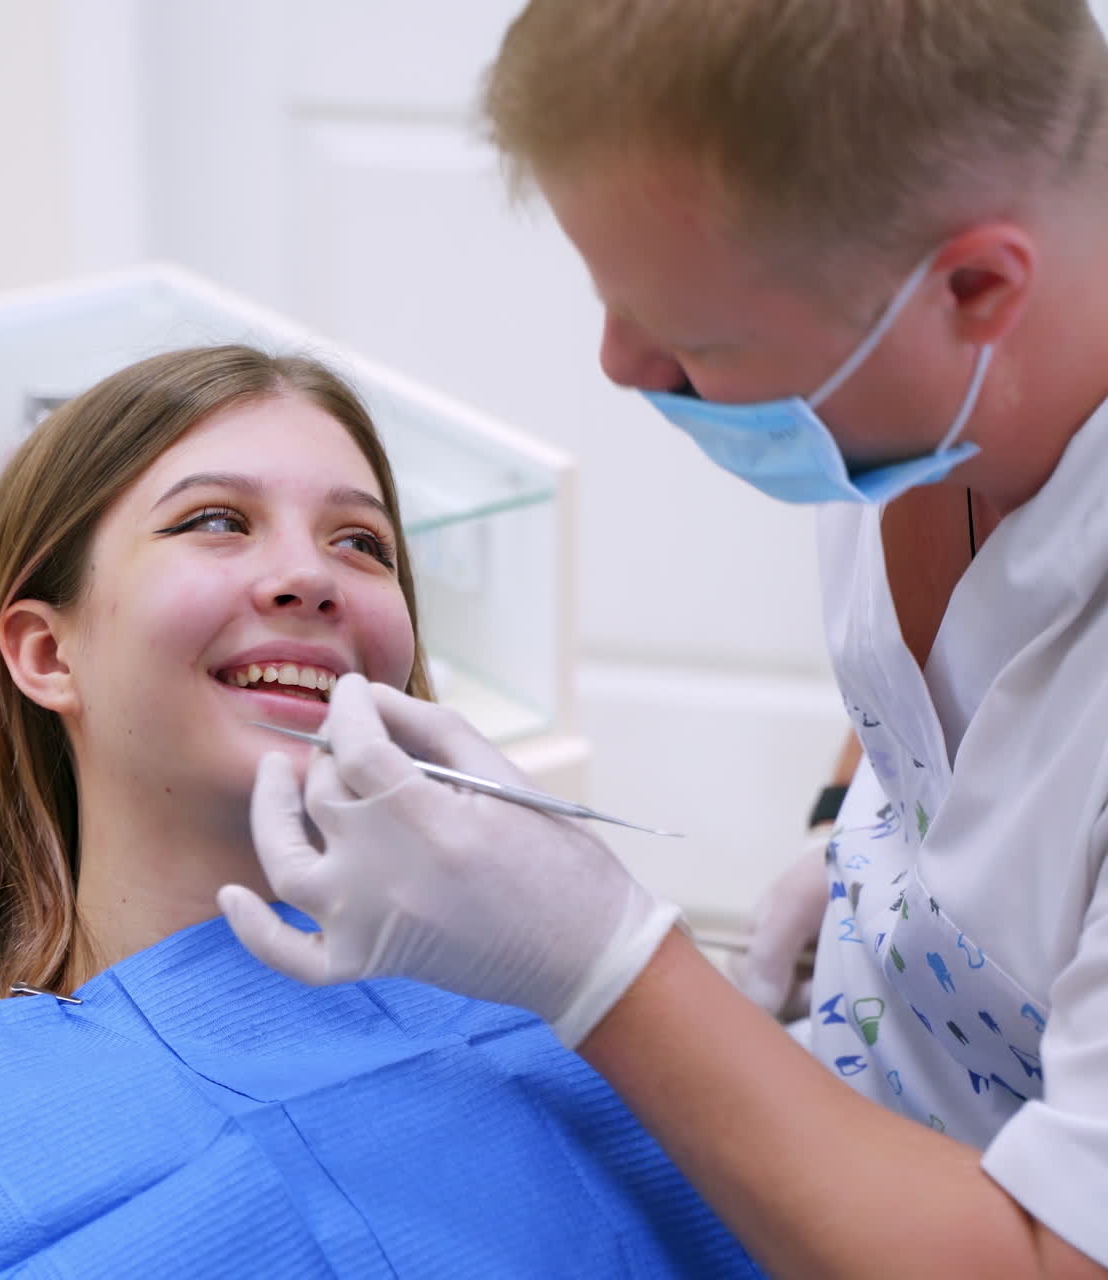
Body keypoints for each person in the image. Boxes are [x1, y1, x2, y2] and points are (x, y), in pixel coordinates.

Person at [221, 3, 1108, 1276]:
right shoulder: (925, 394)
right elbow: (964, 683)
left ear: (974, 288)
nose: (618, 357)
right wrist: (845, 812)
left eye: (697, 339)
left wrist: (607, 966)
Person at [0, 345, 761, 1278]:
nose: (310, 576)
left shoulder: (582, 998)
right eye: (217, 521)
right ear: (46, 655)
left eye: (361, 543)